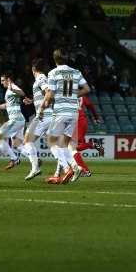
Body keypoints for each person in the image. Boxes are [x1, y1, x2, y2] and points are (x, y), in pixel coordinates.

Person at [39, 49, 90, 184]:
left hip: (61, 111)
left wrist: (43, 107)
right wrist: (73, 95)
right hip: (74, 112)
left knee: (50, 140)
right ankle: (75, 166)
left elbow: (49, 95)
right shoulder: (76, 72)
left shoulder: (53, 73)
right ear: (66, 59)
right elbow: (87, 89)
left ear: (54, 59)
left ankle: (68, 168)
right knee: (64, 144)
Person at [0, 72, 26, 170]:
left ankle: (14, 159)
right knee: (17, 144)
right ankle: (35, 158)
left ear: (8, 80)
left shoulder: (12, 87)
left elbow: (22, 93)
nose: (2, 83)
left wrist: (13, 88)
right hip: (20, 119)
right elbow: (6, 106)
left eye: (3, 80)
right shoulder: (8, 90)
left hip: (15, 120)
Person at [22, 58, 53, 180]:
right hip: (48, 115)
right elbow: (45, 95)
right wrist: (32, 101)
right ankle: (71, 167)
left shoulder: (40, 78)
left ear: (33, 69)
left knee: (27, 140)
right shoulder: (42, 78)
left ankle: (35, 168)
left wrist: (41, 109)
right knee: (55, 146)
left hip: (44, 115)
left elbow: (48, 92)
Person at [71, 96, 104, 177]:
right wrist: (96, 117)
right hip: (81, 121)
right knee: (75, 148)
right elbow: (91, 106)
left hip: (77, 121)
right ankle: (82, 170)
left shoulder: (66, 95)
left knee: (73, 148)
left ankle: (85, 170)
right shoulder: (82, 97)